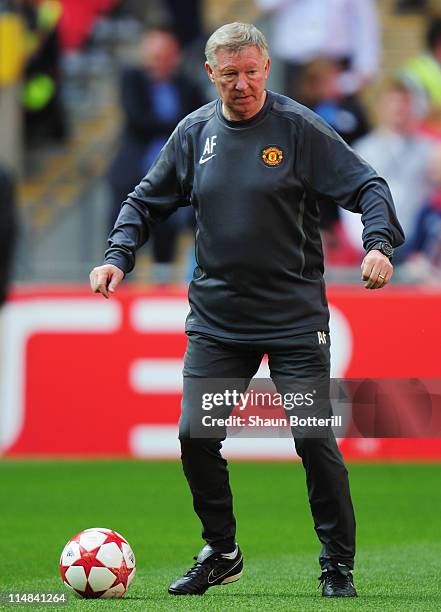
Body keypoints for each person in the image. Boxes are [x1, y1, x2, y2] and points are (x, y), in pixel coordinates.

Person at [90, 23, 404, 598]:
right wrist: (117, 257)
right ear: (210, 74)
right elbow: (144, 200)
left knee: (313, 438)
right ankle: (222, 550)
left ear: (266, 68)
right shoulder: (194, 134)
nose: (242, 84)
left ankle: (337, 564)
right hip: (218, 323)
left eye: (252, 71)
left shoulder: (299, 129)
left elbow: (368, 187)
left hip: (293, 322)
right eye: (229, 74)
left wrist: (379, 244)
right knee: (194, 434)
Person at [107, 26, 205, 282]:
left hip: (172, 183)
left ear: (175, 56)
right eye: (153, 55)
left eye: (164, 56)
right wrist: (179, 125)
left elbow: (203, 122)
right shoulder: (132, 79)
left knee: (166, 250)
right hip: (133, 176)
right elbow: (138, 120)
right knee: (122, 244)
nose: (157, 63)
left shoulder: (187, 85)